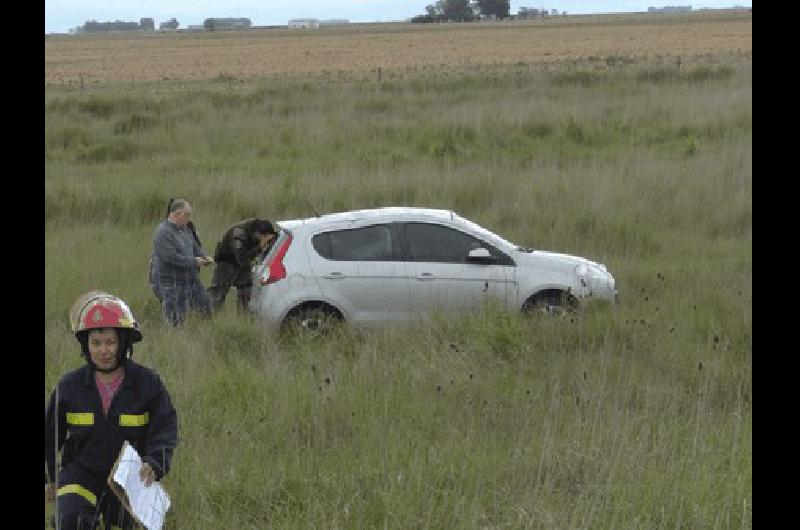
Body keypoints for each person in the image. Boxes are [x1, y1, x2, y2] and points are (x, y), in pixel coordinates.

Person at [45, 291, 178, 529]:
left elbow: (165, 429)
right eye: (96, 343)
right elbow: (48, 436)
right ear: (86, 345)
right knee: (71, 521)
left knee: (145, 526)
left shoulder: (147, 383)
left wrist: (155, 462)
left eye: (110, 342)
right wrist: (49, 479)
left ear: (123, 343)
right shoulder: (69, 386)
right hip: (81, 476)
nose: (103, 350)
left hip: (129, 481)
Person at [150, 198, 214, 325]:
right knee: (176, 318)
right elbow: (170, 257)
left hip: (191, 280)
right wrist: (194, 262)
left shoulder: (186, 230)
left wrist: (205, 258)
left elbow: (195, 248)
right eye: (187, 215)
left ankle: (204, 332)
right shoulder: (163, 232)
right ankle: (175, 339)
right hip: (171, 283)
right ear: (177, 214)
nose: (189, 219)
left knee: (206, 306)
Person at [208, 218, 278, 311]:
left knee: (245, 290)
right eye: (264, 237)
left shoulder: (257, 231)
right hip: (227, 262)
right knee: (217, 293)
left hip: (243, 263)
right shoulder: (239, 235)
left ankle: (243, 317)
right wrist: (260, 247)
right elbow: (242, 258)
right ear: (258, 233)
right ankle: (207, 316)